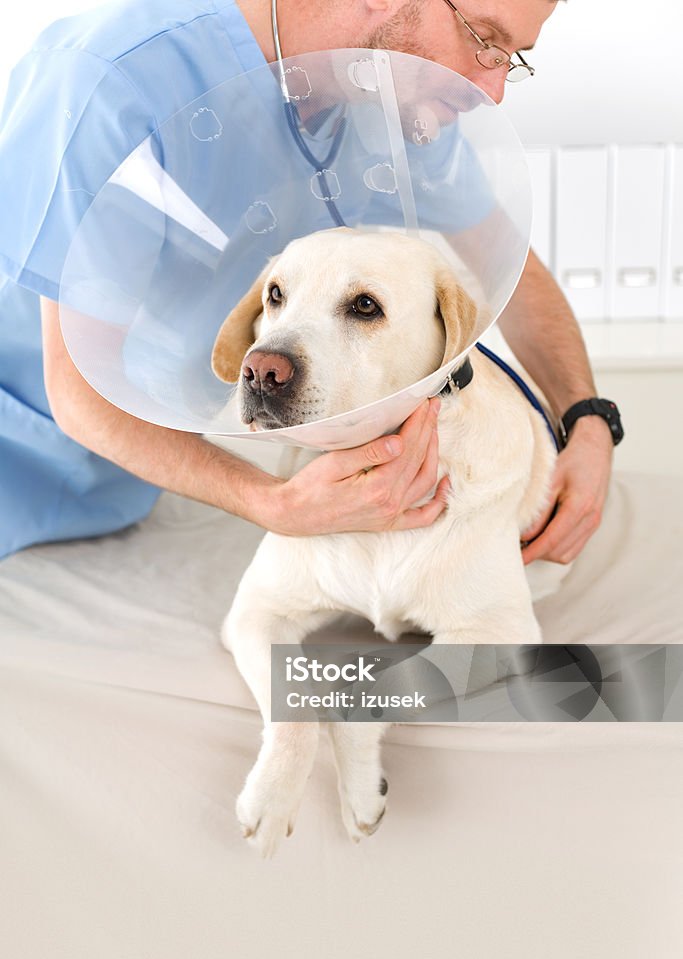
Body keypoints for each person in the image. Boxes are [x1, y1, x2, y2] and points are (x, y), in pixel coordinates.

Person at [0, 0, 615, 564]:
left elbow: (509, 265)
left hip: (132, 485)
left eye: (513, 60)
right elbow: (79, 391)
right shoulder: (109, 81)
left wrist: (587, 419)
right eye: (485, 40)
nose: (492, 90)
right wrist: (272, 503)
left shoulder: (384, 91)